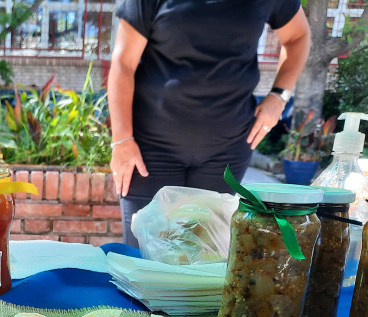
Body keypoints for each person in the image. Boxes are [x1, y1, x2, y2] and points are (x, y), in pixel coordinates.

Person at [108, 0, 312, 245]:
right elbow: (123, 63)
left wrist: (279, 96)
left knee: (204, 262)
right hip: (148, 152)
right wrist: (121, 140)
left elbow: (298, 36)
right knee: (142, 262)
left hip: (225, 152)